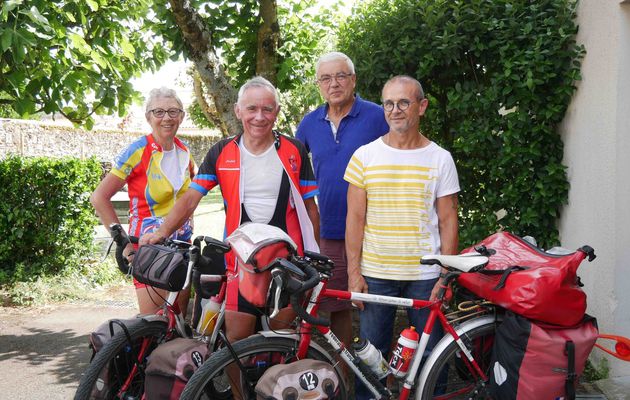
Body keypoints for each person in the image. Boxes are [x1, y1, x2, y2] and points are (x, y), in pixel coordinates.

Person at [140, 76, 320, 345]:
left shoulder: (294, 149)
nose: (259, 117)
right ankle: (240, 390)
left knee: (279, 341)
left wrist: (314, 257)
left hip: (288, 262)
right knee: (236, 342)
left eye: (267, 109)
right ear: (238, 111)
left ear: (277, 112)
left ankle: (269, 385)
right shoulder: (222, 152)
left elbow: (310, 209)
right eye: (251, 109)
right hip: (240, 262)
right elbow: (191, 198)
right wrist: (162, 231)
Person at [344, 76, 460, 399]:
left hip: (426, 277)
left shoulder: (440, 159)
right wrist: (354, 272)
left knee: (431, 357)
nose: (395, 110)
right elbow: (354, 220)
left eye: (403, 103)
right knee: (371, 358)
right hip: (376, 274)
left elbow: (449, 220)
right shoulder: (365, 156)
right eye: (389, 104)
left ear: (421, 107)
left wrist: (446, 275)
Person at [296, 52, 389, 347]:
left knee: (376, 307)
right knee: (336, 307)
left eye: (340, 76)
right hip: (329, 231)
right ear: (318, 84)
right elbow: (297, 175)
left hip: (375, 230)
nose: (333, 83)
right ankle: (343, 376)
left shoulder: (378, 116)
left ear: (353, 80)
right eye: (326, 78)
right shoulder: (308, 124)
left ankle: (378, 380)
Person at [91, 87, 194, 315]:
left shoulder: (185, 152)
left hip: (182, 247)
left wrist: (190, 224)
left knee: (177, 323)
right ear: (148, 117)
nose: (166, 118)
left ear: (182, 116)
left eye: (173, 111)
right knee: (152, 326)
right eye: (158, 112)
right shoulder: (137, 151)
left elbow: (190, 197)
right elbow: (99, 197)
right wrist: (123, 242)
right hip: (149, 249)